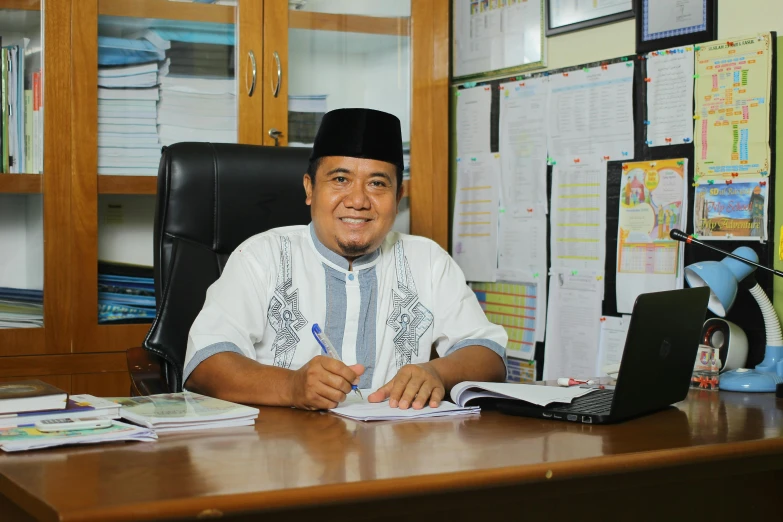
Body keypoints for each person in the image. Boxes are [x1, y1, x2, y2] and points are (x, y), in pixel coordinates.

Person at [183, 108, 507, 411]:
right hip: (281, 457)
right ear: (309, 188)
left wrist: (437, 371)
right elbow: (204, 364)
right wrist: (292, 386)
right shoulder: (261, 257)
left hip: (397, 455)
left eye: (377, 184)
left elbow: (489, 354)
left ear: (398, 197)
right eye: (340, 180)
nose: (357, 200)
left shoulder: (428, 260)